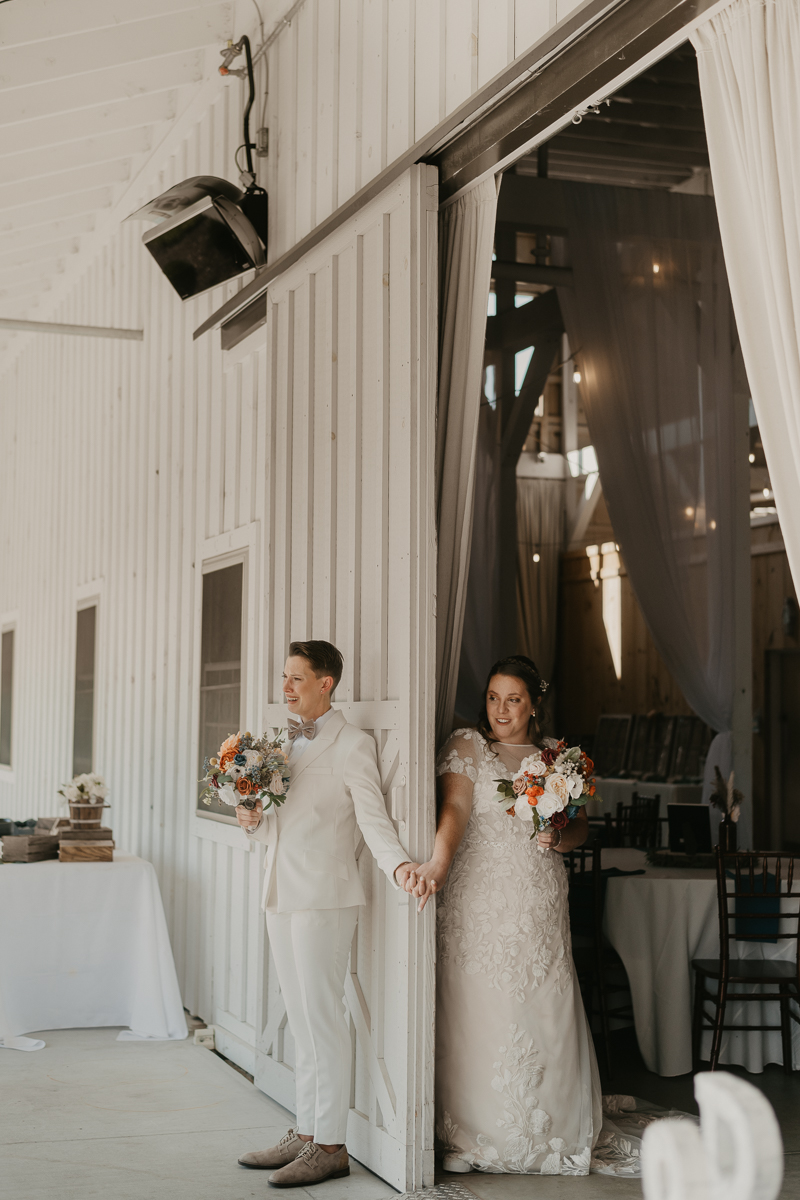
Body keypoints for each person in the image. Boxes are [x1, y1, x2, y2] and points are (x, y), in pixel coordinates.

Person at [406, 655, 603, 1176]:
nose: (500, 709)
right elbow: (455, 810)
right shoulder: (467, 746)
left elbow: (582, 828)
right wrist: (439, 864)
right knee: (482, 1005)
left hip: (539, 895)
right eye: (493, 698)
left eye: (513, 699)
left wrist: (559, 837)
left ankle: (551, 1126)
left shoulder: (559, 757)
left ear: (534, 704)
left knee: (543, 997)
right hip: (482, 900)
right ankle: (475, 1130)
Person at [235, 640, 419, 1187]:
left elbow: (372, 819)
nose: (286, 686)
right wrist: (250, 818)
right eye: (285, 677)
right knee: (299, 1017)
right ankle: (308, 1129)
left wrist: (399, 868)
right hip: (280, 892)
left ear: (326, 684)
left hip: (325, 897)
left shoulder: (351, 744)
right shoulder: (280, 744)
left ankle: (332, 1146)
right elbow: (276, 825)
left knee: (323, 1019)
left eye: (296, 678)